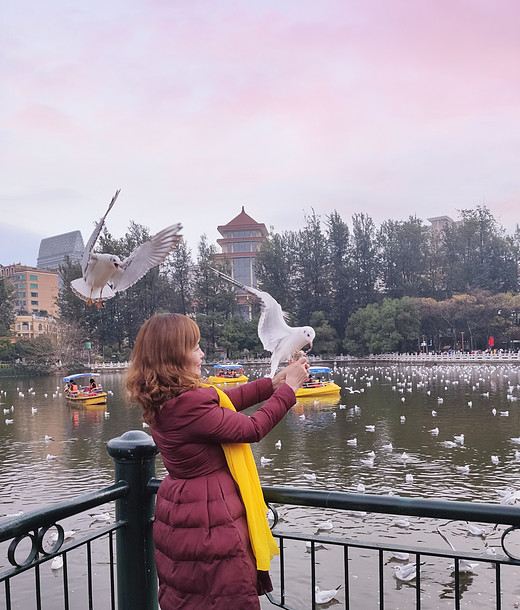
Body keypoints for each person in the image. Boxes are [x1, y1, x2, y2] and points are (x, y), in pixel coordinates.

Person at [126, 313, 309, 610]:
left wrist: (272, 384)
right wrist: (289, 390)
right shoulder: (189, 404)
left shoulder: (165, 398)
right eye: (194, 347)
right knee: (224, 595)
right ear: (174, 356)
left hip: (180, 511)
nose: (202, 353)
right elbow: (252, 429)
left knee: (190, 597)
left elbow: (224, 402)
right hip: (209, 519)